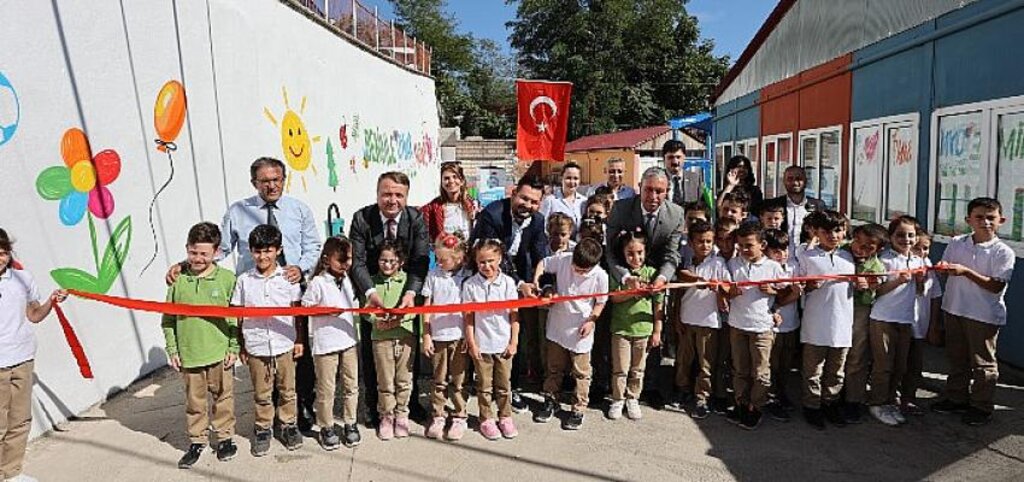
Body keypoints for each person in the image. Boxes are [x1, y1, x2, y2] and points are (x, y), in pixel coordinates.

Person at [167, 157, 322, 431]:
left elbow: (313, 245)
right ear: (254, 183)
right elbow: (220, 248)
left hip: (289, 292)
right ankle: (268, 414)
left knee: (296, 355)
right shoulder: (238, 211)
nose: (272, 185)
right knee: (260, 358)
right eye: (265, 181)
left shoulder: (299, 210)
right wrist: (184, 264)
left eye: (276, 179)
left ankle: (302, 407)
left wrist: (301, 266)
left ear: (284, 179)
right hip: (252, 295)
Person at [349, 171, 431, 426]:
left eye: (398, 195)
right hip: (373, 294)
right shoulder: (362, 218)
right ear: (377, 194)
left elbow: (420, 259)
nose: (392, 200)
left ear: (406, 197)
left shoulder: (415, 218)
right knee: (373, 352)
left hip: (404, 291)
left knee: (408, 353)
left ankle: (410, 403)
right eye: (386, 194)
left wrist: (410, 293)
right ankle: (375, 406)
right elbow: (358, 262)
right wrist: (370, 294)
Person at [932, 197, 1015, 426]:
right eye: (979, 217)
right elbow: (946, 268)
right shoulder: (957, 242)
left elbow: (996, 285)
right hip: (954, 308)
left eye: (991, 218)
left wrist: (965, 271)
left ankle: (981, 405)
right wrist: (944, 269)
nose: (985, 222)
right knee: (957, 358)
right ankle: (956, 397)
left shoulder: (1003, 252)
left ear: (1001, 220)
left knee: (983, 363)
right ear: (968, 220)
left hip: (983, 314)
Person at [162, 222, 239, 468]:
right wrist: (173, 349)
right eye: (193, 252)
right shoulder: (178, 280)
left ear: (216, 252)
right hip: (189, 354)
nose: (197, 258)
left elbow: (235, 317)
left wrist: (233, 347)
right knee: (195, 402)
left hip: (218, 352)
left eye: (204, 253)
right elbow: (168, 319)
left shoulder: (227, 279)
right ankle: (197, 440)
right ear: (187, 249)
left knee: (223, 398)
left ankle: (225, 437)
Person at [470, 175, 548, 412]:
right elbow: (491, 257)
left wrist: (541, 284)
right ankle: (482, 384)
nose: (528, 205)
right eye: (524, 198)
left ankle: (509, 387)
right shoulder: (492, 215)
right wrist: (518, 284)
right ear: (513, 193)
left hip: (517, 277)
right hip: (487, 277)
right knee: (486, 332)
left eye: (534, 202)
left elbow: (540, 254)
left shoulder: (537, 220)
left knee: (514, 335)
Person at [0, 228, 67, 482]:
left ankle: (11, 473)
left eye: (3, 252)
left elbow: (35, 315)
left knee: (19, 421)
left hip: (23, 358)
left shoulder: (22, 279)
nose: (0, 258)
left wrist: (52, 300)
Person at [231, 224, 304, 456]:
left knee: (288, 389)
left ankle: (288, 424)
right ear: (251, 252)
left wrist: (300, 340)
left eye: (268, 251)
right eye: (257, 251)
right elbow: (238, 315)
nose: (262, 256)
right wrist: (242, 345)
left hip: (284, 343)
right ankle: (263, 428)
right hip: (256, 345)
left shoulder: (288, 278)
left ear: (278, 250)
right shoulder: (244, 281)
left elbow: (297, 312)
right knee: (261, 392)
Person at [532, 238, 609, 430]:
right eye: (576, 267)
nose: (578, 272)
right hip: (558, 324)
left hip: (580, 327)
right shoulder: (564, 259)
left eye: (584, 271)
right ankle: (550, 399)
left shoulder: (600, 276)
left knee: (581, 372)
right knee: (553, 368)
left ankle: (579, 407)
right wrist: (537, 281)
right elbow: (543, 263)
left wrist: (592, 320)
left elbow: (601, 302)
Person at [796, 211, 857, 430]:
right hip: (815, 324)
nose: (833, 235)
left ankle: (830, 403)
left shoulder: (849, 256)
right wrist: (809, 286)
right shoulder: (806, 256)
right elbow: (798, 287)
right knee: (813, 370)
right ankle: (812, 407)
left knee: (836, 371)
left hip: (842, 324)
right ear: (817, 233)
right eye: (827, 231)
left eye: (838, 230)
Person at [723, 221, 786, 430]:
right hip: (737, 324)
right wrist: (730, 292)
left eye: (749, 245)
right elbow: (723, 289)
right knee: (740, 369)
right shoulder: (733, 264)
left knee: (760, 372)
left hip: (761, 327)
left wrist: (774, 293)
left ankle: (756, 406)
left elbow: (791, 291)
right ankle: (741, 403)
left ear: (763, 244)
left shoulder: (773, 267)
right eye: (740, 245)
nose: (744, 250)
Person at [301, 235, 361, 450]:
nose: (346, 264)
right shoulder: (317, 282)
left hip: (348, 340)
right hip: (326, 344)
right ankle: (326, 426)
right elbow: (305, 306)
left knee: (351, 385)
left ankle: (350, 422)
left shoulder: (346, 278)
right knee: (327, 389)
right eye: (341, 260)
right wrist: (324, 311)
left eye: (349, 259)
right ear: (327, 260)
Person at [867, 215, 927, 427]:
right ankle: (877, 403)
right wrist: (899, 280)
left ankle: (891, 401)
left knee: (900, 365)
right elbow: (877, 291)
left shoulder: (919, 260)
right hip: (883, 318)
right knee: (883, 365)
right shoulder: (884, 260)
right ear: (891, 236)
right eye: (900, 235)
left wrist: (920, 281)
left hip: (906, 319)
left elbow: (920, 292)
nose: (906, 239)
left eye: (911, 235)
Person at [462, 239, 521, 440]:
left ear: (500, 259)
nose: (487, 266)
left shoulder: (508, 283)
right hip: (482, 345)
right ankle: (486, 418)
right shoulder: (470, 285)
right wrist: (472, 343)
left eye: (491, 261)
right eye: (482, 262)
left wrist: (513, 342)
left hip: (503, 344)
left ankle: (505, 416)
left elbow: (514, 316)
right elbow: (468, 317)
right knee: (484, 386)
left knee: (504, 385)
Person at [606, 229, 665, 421]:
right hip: (621, 329)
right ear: (623, 253)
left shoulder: (652, 273)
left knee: (638, 368)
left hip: (643, 329)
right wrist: (633, 292)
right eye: (630, 253)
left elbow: (658, 304)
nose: (635, 257)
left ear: (646, 252)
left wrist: (657, 330)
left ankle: (633, 398)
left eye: (639, 253)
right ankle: (617, 399)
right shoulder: (618, 274)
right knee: (620, 368)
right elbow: (613, 298)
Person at [675, 220, 730, 419]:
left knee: (706, 363)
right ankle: (682, 389)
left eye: (708, 241)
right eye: (700, 241)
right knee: (684, 359)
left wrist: (720, 289)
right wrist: (677, 318)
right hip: (687, 319)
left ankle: (702, 396)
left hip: (708, 322)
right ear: (691, 243)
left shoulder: (718, 263)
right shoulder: (686, 264)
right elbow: (680, 288)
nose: (704, 245)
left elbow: (728, 287)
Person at [421, 233, 471, 441]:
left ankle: (460, 414)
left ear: (458, 258)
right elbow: (426, 307)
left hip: (459, 336)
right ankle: (438, 414)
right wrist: (426, 335)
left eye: (444, 259)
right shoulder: (433, 275)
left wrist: (470, 336)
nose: (439, 262)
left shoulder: (468, 276)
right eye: (437, 258)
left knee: (459, 379)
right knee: (439, 379)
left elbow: (471, 310)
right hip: (439, 336)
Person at [366, 240, 417, 441]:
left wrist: (397, 321)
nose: (387, 265)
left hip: (404, 337)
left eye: (392, 261)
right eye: (383, 260)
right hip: (380, 339)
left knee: (404, 379)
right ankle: (386, 415)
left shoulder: (408, 283)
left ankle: (402, 414)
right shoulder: (372, 283)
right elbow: (365, 310)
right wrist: (376, 321)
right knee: (385, 381)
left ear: (401, 261)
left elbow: (415, 310)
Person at [841, 222, 887, 424]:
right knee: (833, 353)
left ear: (878, 249)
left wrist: (868, 286)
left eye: (869, 246)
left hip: (859, 310)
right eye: (857, 241)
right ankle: (830, 396)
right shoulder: (840, 251)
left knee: (856, 356)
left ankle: (853, 399)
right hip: (833, 309)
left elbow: (877, 288)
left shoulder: (876, 267)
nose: (860, 247)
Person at [903, 229, 942, 416]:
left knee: (915, 364)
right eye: (917, 247)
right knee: (896, 363)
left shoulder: (927, 264)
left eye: (925, 248)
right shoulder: (900, 263)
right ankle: (891, 397)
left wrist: (934, 325)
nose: (922, 252)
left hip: (920, 325)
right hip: (901, 323)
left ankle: (909, 398)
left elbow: (935, 295)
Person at [763, 229, 800, 422]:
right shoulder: (766, 268)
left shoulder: (793, 266)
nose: (782, 255)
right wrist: (789, 296)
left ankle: (781, 393)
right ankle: (769, 398)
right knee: (771, 365)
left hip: (791, 324)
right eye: (776, 251)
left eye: (785, 250)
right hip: (771, 326)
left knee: (785, 365)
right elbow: (773, 298)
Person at [761, 166, 826, 258]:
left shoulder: (818, 205)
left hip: (809, 257)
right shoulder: (772, 204)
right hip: (778, 257)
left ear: (806, 181)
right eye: (790, 179)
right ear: (784, 181)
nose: (795, 182)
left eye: (799, 179)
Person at [420, 161, 476, 241]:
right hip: (443, 251)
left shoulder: (473, 205)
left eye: (455, 177)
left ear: (462, 181)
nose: (451, 181)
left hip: (468, 251)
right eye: (446, 178)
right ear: (441, 182)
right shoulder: (433, 207)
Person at [540, 162, 587, 232]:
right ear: (561, 178)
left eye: (576, 178)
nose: (572, 182)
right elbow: (542, 226)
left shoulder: (584, 201)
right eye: (568, 178)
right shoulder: (550, 200)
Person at [662, 140, 687, 206]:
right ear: (664, 159)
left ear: (684, 157)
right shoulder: (657, 179)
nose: (675, 162)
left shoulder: (695, 179)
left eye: (678, 157)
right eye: (670, 157)